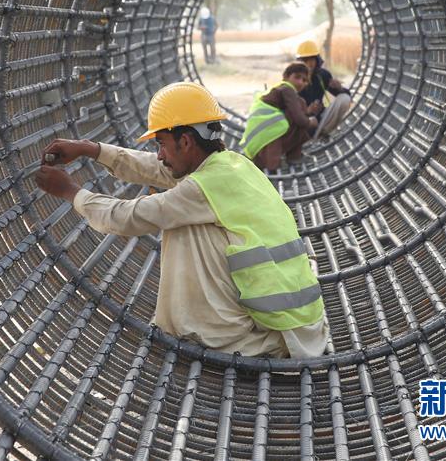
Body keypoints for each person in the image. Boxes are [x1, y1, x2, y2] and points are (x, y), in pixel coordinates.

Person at [35, 82, 328, 358]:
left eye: (161, 144)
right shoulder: (233, 165)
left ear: (186, 141)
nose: (159, 155)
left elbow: (126, 217)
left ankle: (204, 332)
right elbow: (155, 168)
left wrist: (70, 192)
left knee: (180, 223)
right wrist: (90, 149)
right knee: (184, 213)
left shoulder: (202, 188)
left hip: (278, 331)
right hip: (299, 324)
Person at [239, 63, 318, 171]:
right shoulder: (287, 89)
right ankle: (281, 160)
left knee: (300, 105)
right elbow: (299, 119)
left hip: (257, 141)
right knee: (300, 114)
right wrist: (311, 121)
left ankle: (292, 156)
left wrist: (307, 113)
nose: (301, 82)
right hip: (267, 139)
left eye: (304, 80)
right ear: (286, 76)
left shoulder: (279, 88)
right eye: (297, 77)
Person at [295, 40, 352, 140]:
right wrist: (308, 111)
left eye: (311, 60)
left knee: (344, 98)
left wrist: (339, 88)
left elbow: (337, 96)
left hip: (322, 120)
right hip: (304, 126)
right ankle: (312, 138)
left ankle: (323, 134)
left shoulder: (323, 75)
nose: (309, 64)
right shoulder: (295, 80)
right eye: (305, 60)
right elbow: (291, 113)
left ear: (317, 60)